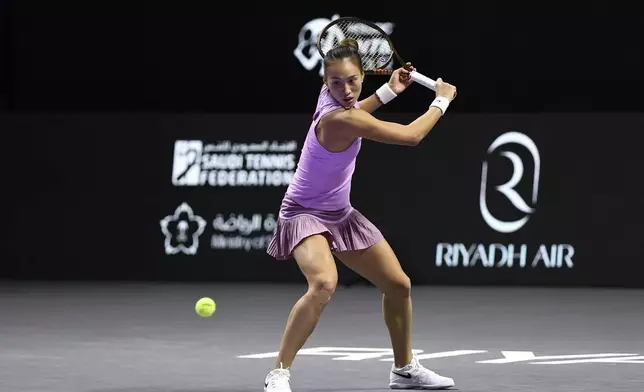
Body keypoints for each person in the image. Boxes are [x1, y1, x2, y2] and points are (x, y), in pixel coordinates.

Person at [263, 38, 457, 391]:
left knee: (398, 285)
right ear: (326, 83)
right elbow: (411, 136)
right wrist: (441, 100)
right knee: (323, 283)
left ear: (362, 75)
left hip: (339, 211)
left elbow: (358, 110)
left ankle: (403, 369)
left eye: (352, 80)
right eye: (336, 82)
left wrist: (390, 91)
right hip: (303, 213)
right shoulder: (337, 119)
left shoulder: (339, 105)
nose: (345, 89)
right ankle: (278, 372)